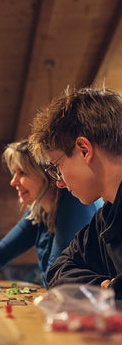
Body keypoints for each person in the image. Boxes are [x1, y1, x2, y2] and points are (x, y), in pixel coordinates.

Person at [0, 140, 102, 291]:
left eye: (22, 172)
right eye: (14, 173)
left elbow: (56, 275)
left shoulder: (74, 204)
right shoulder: (39, 212)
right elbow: (2, 250)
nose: (13, 182)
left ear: (47, 175)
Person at [29, 86, 122, 297]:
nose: (59, 182)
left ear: (84, 150)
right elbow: (58, 270)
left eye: (57, 167)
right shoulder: (105, 218)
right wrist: (102, 288)